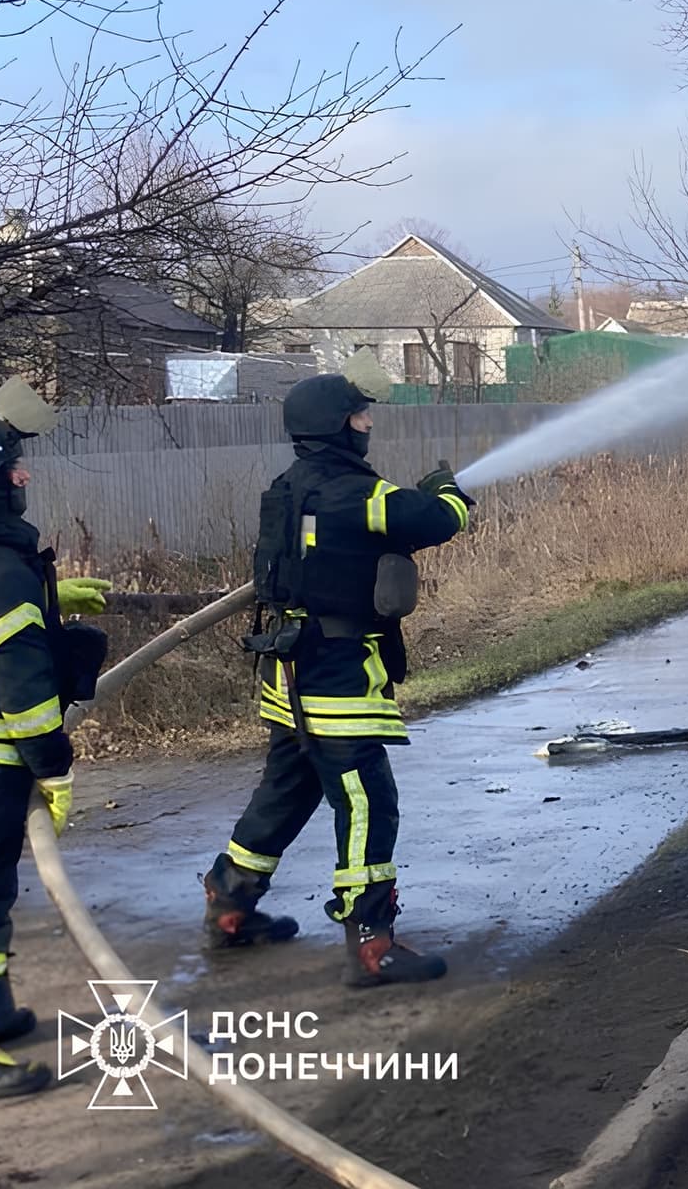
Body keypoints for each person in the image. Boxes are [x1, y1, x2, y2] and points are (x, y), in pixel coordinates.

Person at [201, 351, 474, 987]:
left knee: (287, 789)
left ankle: (230, 906)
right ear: (338, 425)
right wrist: (445, 489)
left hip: (286, 675)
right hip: (337, 675)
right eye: (359, 413)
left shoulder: (286, 489)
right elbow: (438, 520)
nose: (367, 421)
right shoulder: (360, 493)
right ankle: (372, 943)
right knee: (367, 799)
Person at [0, 377, 112, 1098]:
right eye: (12, 468)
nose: (23, 476)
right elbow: (22, 689)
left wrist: (52, 608)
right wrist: (54, 766)